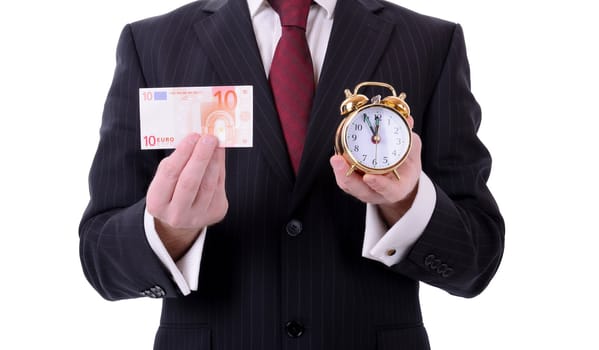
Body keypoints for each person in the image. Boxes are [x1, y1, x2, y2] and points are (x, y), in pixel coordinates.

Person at [79, 0, 504, 348]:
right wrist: (169, 231)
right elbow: (100, 258)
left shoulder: (430, 42)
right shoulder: (151, 43)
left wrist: (406, 203)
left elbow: (476, 260)